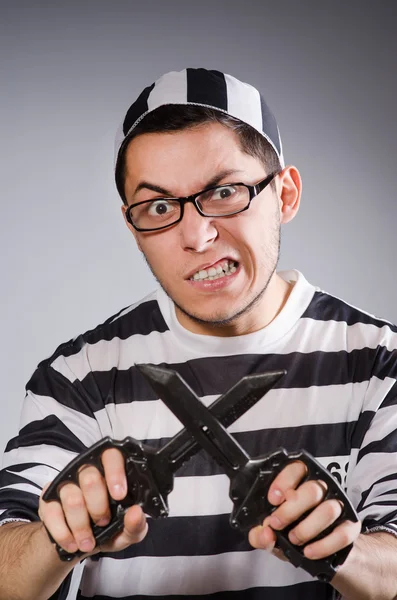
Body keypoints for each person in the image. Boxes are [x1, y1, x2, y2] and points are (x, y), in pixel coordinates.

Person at [0, 68, 396, 600]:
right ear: (132, 225)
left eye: (225, 192)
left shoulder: (380, 363)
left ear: (285, 194)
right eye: (159, 207)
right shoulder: (79, 376)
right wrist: (59, 538)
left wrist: (341, 549)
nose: (197, 236)